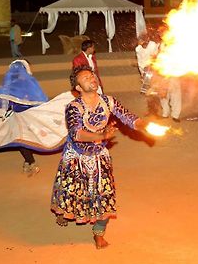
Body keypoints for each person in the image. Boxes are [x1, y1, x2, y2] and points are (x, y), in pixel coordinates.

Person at [50, 66, 148, 249]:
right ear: (78, 87)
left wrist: (141, 124)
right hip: (75, 158)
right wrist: (101, 136)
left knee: (105, 195)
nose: (92, 78)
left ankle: (99, 234)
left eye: (92, 75)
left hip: (99, 157)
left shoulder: (108, 101)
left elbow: (126, 116)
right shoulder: (74, 107)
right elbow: (76, 133)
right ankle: (62, 212)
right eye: (86, 78)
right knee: (70, 193)